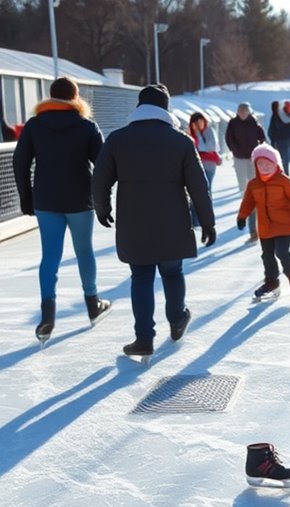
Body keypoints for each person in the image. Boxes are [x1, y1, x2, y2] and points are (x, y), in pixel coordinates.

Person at [91, 84, 216, 358]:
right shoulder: (181, 141)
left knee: (141, 277)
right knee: (172, 272)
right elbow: (198, 185)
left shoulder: (118, 139)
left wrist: (102, 208)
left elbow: (99, 178)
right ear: (165, 108)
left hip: (134, 223)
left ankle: (144, 338)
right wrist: (208, 221)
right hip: (173, 222)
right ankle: (177, 319)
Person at [13, 76, 110, 343]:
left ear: (50, 97)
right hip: (80, 200)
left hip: (46, 201)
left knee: (50, 257)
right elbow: (102, 166)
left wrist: (26, 196)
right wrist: (104, 201)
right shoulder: (86, 126)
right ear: (75, 98)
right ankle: (93, 305)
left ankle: (47, 317)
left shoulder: (34, 125)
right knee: (84, 251)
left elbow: (20, 161)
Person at [236, 143, 290, 300]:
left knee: (281, 252)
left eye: (268, 163)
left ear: (276, 164)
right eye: (260, 164)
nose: (265, 167)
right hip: (265, 226)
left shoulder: (283, 181)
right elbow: (248, 202)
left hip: (283, 224)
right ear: (255, 166)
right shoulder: (253, 184)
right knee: (267, 255)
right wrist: (242, 216)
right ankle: (271, 281)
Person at [225, 102, 266, 242]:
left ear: (248, 112)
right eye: (240, 111)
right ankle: (245, 200)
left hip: (252, 156)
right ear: (237, 112)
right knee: (243, 183)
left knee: (253, 181)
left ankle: (253, 200)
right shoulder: (233, 123)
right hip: (239, 157)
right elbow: (228, 138)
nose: (242, 113)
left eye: (245, 111)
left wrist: (259, 146)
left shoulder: (254, 122)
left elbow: (262, 136)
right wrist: (234, 149)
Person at [188, 111, 220, 226]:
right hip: (195, 164)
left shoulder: (209, 131)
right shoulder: (190, 133)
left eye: (200, 121)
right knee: (195, 191)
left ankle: (207, 219)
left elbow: (210, 147)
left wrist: (198, 135)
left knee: (206, 190)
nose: (198, 124)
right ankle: (195, 219)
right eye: (195, 122)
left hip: (208, 164)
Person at [268, 100, 290, 182]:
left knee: (287, 161)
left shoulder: (275, 118)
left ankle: (289, 178)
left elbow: (271, 133)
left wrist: (274, 142)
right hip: (288, 143)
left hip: (283, 143)